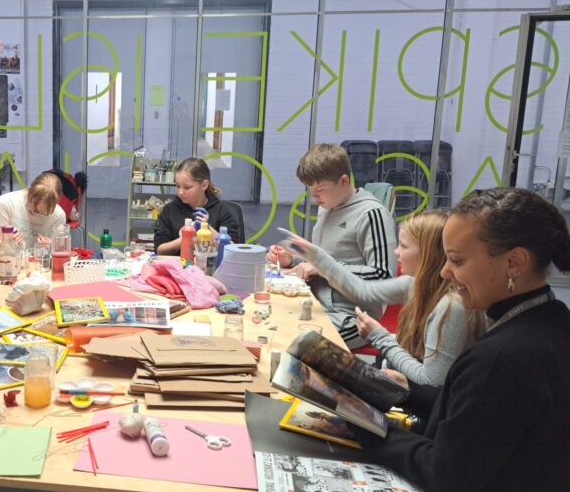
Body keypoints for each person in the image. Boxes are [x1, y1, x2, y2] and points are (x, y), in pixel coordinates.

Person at [304, 188, 570, 492]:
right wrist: (402, 393)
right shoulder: (548, 321)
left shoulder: (506, 356)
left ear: (514, 263)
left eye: (458, 261)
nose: (445, 272)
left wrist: (367, 424)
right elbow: (475, 412)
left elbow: (444, 471)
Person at [279, 211, 484, 386]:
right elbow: (362, 291)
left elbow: (431, 381)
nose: (396, 252)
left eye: (403, 246)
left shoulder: (450, 307)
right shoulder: (415, 284)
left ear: (428, 255)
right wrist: (315, 256)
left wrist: (380, 336)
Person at [268, 143, 396, 348]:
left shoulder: (372, 214)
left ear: (343, 181)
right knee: (269, 322)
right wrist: (293, 259)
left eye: (320, 190)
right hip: (316, 300)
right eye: (310, 190)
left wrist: (322, 267)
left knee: (291, 343)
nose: (314, 197)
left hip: (352, 315)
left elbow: (383, 276)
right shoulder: (328, 207)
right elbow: (327, 260)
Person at [153, 157, 244, 254]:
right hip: (178, 266)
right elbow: (159, 249)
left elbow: (233, 249)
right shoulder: (169, 210)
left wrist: (208, 228)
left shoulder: (221, 211)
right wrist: (188, 239)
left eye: (187, 187)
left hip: (211, 266)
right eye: (177, 186)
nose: (180, 192)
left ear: (204, 185)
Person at [0, 172, 66, 247]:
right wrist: (7, 243)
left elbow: (60, 250)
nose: (32, 213)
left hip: (39, 259)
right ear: (29, 190)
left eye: (40, 213)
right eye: (30, 207)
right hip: (13, 258)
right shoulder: (6, 202)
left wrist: (52, 246)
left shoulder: (58, 215)